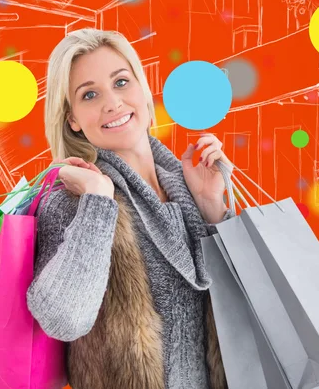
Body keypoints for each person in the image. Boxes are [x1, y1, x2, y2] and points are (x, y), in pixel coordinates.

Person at [27, 28, 234, 389]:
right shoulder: (74, 200)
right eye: (90, 94)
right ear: (72, 118)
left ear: (142, 88)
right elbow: (64, 320)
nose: (112, 103)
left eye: (121, 82)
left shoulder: (188, 185)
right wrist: (97, 203)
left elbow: (245, 311)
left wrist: (212, 207)